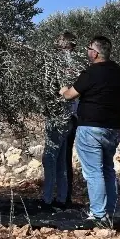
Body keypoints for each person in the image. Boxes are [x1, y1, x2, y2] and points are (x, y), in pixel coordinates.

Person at [60, 36, 120, 224]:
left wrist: (63, 90)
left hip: (91, 128)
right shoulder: (116, 71)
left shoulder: (91, 72)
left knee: (94, 172)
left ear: (95, 53)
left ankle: (98, 215)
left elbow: (70, 95)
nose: (87, 51)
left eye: (88, 48)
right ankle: (113, 212)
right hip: (112, 128)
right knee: (108, 169)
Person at [41, 31, 80, 210]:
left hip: (57, 116)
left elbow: (49, 87)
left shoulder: (54, 63)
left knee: (50, 158)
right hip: (73, 117)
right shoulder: (79, 64)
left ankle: (47, 199)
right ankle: (63, 198)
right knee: (64, 159)